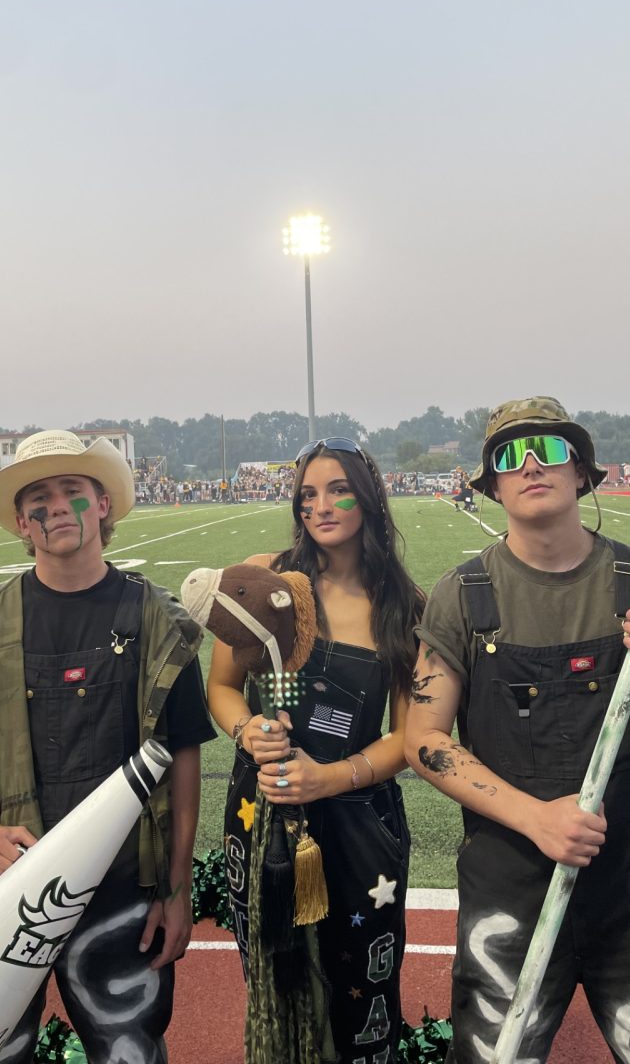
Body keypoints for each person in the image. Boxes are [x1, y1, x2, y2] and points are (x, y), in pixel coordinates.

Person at [404, 397, 630, 1063]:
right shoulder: (461, 596)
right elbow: (424, 739)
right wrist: (535, 818)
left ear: (582, 472)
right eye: (509, 456)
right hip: (511, 888)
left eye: (548, 450)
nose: (530, 466)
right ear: (490, 485)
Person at [0, 430, 215, 1064]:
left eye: (72, 491)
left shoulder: (159, 621)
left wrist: (175, 888)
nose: (56, 506)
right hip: (7, 893)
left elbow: (185, 757)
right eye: (38, 497)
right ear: (22, 523)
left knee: (128, 1050)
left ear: (104, 505)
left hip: (123, 888)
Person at [208, 437, 425, 1064]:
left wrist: (327, 779)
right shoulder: (265, 577)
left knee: (361, 985)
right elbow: (221, 687)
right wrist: (246, 729)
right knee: (276, 980)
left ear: (370, 497)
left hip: (358, 822)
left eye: (337, 490)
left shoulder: (404, 607)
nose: (320, 505)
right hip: (264, 812)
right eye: (307, 494)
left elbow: (409, 740)